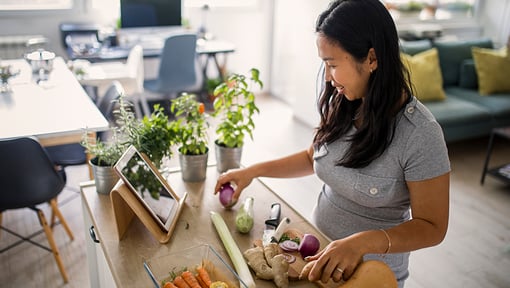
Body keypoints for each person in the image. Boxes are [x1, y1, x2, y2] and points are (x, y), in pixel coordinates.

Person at [214, 0, 450, 287]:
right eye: (324, 64)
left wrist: (363, 242)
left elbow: (433, 227)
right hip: (314, 261)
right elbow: (311, 158)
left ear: (372, 58)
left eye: (332, 64)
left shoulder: (420, 134)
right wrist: (252, 171)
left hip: (371, 276)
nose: (327, 77)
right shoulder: (346, 102)